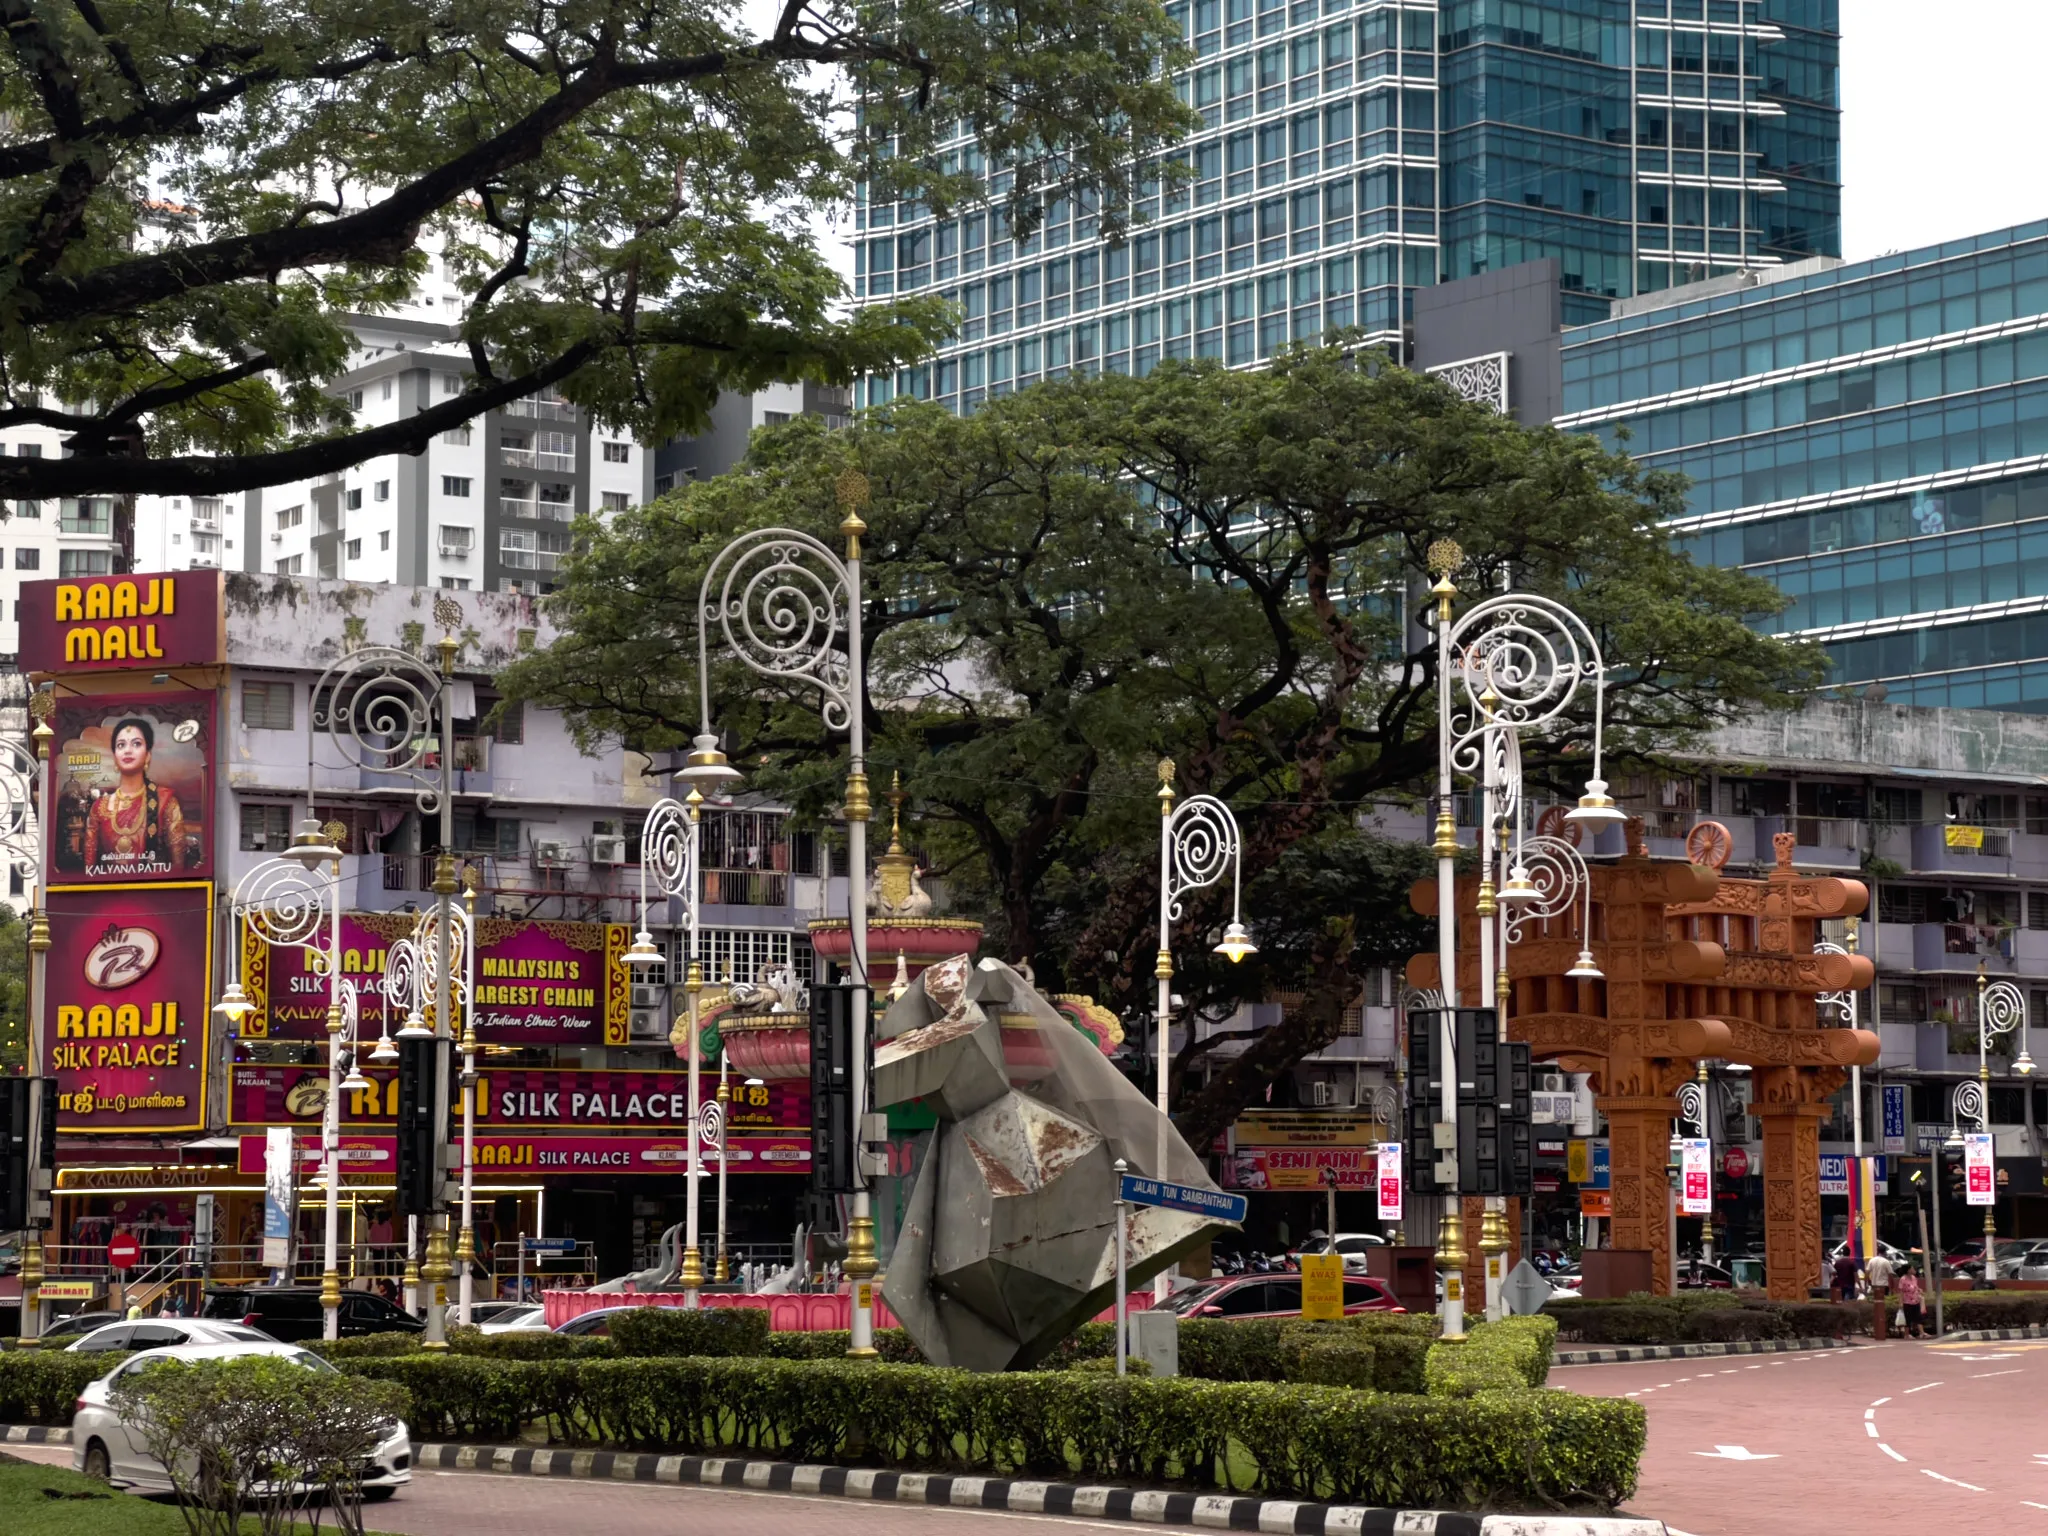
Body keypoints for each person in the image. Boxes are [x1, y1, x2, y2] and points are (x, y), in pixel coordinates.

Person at [83, 717, 186, 874]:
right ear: (115, 756)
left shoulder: (166, 801)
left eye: (136, 744)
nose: (128, 750)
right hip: (106, 892)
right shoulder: (99, 807)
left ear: (148, 755)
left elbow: (178, 866)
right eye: (121, 745)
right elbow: (89, 868)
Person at [1898, 1263, 1927, 1338]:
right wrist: (1900, 1302)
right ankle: (1906, 1334)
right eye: (1912, 1268)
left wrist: (1919, 1290)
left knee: (1918, 1316)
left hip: (1916, 1300)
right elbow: (1900, 1292)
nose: (1914, 1270)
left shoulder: (1914, 1278)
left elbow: (1916, 1286)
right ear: (1908, 1270)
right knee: (1908, 1318)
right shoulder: (1903, 1279)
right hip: (1907, 1301)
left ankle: (1922, 1333)